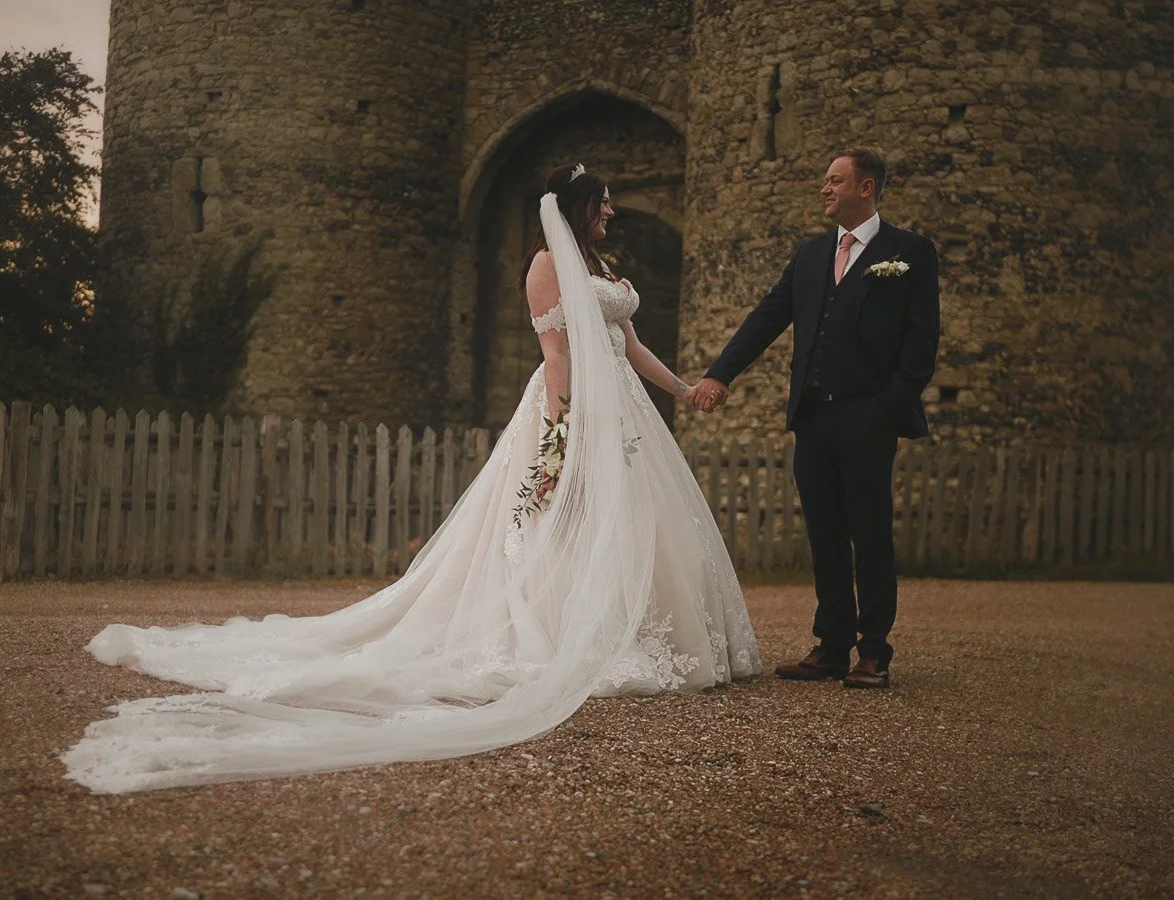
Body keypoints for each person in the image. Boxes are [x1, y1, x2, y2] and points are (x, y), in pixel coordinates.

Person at [62, 163, 761, 792]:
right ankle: (566, 634)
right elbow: (556, 354)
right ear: (579, 207)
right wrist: (562, 431)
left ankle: (637, 627)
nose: (611, 212)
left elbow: (628, 343)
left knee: (630, 524)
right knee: (562, 523)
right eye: (603, 204)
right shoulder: (548, 264)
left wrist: (684, 391)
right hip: (573, 409)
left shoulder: (599, 264)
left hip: (628, 415)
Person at [690, 147, 940, 690]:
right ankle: (831, 646)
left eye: (834, 180)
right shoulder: (810, 255)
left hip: (868, 417)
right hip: (814, 417)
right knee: (825, 533)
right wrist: (719, 374)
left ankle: (873, 652)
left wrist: (889, 405)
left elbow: (922, 342)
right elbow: (768, 318)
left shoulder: (910, 252)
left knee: (870, 534)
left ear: (866, 187)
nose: (824, 189)